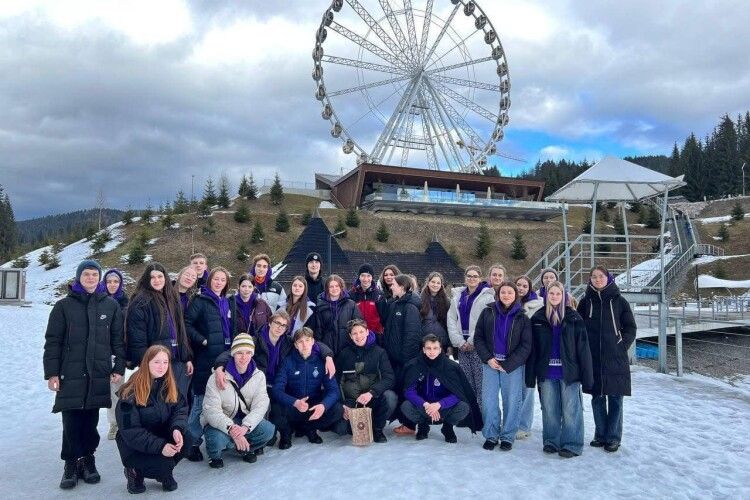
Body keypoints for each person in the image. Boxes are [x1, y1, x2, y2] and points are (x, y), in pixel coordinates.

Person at [43, 259, 125, 489]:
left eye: (94, 274)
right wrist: (52, 373)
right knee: (71, 420)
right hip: (70, 372)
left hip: (98, 372)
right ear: (79, 277)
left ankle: (88, 461)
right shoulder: (63, 306)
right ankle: (71, 464)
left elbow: (118, 341)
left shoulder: (110, 306)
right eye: (86, 274)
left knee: (90, 420)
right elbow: (53, 342)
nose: (90, 278)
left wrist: (118, 367)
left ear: (99, 278)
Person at [526, 282, 593, 458]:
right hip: (546, 373)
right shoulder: (538, 318)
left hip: (569, 373)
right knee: (549, 409)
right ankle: (551, 441)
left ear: (563, 296)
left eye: (558, 293)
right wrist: (530, 375)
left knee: (571, 410)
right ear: (546, 295)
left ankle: (572, 444)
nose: (554, 296)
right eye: (551, 293)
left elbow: (583, 348)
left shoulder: (573, 317)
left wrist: (587, 376)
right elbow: (533, 349)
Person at [115, 345, 191, 493]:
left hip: (157, 434)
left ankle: (163, 470)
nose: (161, 366)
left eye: (165, 362)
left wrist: (177, 428)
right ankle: (134, 472)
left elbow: (180, 408)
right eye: (156, 362)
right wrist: (161, 446)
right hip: (133, 445)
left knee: (187, 439)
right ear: (146, 363)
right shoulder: (130, 392)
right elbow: (132, 432)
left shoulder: (168, 383)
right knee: (164, 463)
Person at [577, 265, 637, 453]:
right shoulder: (586, 302)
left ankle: (613, 437)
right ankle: (600, 434)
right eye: (593, 277)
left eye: (600, 276)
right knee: (597, 397)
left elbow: (630, 327)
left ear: (608, 278)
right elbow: (578, 327)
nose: (597, 279)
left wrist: (621, 345)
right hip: (593, 358)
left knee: (615, 398)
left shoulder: (620, 301)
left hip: (615, 357)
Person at [473, 281, 532, 451]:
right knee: (489, 401)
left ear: (516, 296)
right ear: (498, 295)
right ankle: (491, 435)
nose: (506, 295)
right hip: (490, 363)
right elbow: (479, 338)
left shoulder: (523, 317)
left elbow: (526, 345)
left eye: (510, 293)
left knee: (512, 401)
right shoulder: (488, 312)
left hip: (511, 367)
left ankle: (507, 436)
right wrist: (488, 358)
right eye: (503, 292)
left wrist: (510, 364)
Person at [201, 334, 275, 468]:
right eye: (239, 353)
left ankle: (245, 448)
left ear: (252, 354)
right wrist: (231, 429)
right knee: (216, 440)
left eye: (248, 353)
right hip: (223, 422)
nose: (244, 357)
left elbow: (261, 405)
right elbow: (210, 410)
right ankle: (215, 456)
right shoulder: (216, 378)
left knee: (268, 430)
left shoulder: (259, 376)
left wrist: (246, 427)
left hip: (244, 422)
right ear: (233, 354)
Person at [185, 266, 235, 461]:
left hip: (225, 356)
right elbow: (186, 324)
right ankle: (192, 443)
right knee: (200, 401)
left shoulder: (228, 302)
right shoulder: (200, 300)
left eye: (223, 280)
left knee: (220, 400)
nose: (219, 282)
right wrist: (202, 340)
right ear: (209, 281)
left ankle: (217, 437)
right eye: (216, 279)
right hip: (205, 358)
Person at [126, 262, 193, 397]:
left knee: (179, 402)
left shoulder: (171, 297)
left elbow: (181, 331)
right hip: (157, 364)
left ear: (165, 278)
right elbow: (137, 339)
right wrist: (146, 364)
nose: (157, 280)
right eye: (153, 277)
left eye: (160, 276)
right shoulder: (141, 302)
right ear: (147, 280)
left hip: (177, 360)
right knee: (160, 403)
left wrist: (186, 357)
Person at [270, 327, 345, 449]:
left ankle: (310, 429)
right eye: (300, 341)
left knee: (337, 409)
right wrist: (295, 402)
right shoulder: (287, 362)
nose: (304, 345)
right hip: (294, 405)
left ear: (313, 341)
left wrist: (323, 405)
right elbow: (277, 389)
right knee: (276, 409)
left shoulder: (321, 362)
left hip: (312, 405)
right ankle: (286, 433)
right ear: (295, 345)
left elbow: (334, 390)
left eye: (307, 340)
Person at [400, 334, 483, 443]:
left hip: (444, 409)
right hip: (424, 408)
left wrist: (439, 404)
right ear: (424, 349)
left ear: (440, 350)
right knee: (406, 406)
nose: (432, 351)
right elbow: (409, 391)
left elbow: (458, 393)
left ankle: (447, 428)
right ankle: (423, 426)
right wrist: (426, 404)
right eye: (428, 348)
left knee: (464, 407)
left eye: (435, 348)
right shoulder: (415, 365)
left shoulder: (451, 366)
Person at [335, 319, 396, 443]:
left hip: (373, 397)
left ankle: (377, 429)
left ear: (367, 332)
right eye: (355, 333)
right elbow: (336, 382)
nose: (359, 336)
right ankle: (358, 427)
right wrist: (342, 405)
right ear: (350, 336)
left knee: (390, 397)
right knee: (341, 429)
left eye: (361, 332)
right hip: (352, 400)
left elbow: (389, 378)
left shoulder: (379, 352)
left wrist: (372, 393)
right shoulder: (344, 354)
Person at [447, 265, 495, 406]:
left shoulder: (487, 296)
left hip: (478, 344)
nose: (472, 279)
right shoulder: (458, 296)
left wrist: (472, 340)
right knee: (467, 381)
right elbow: (451, 319)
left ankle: (482, 414)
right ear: (465, 278)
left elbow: (486, 320)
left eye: (475, 276)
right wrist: (460, 342)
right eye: (469, 276)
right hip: (462, 345)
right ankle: (471, 414)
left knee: (481, 382)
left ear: (480, 279)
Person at [383, 274, 423, 435]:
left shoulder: (410, 307)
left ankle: (410, 425)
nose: (391, 287)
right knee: (397, 391)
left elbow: (412, 337)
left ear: (402, 286)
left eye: (393, 284)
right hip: (393, 360)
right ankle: (402, 421)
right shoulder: (395, 304)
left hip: (405, 362)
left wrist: (405, 360)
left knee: (407, 391)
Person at [515, 274, 545, 440]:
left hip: (530, 353)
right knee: (514, 390)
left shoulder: (537, 306)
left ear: (529, 288)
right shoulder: (509, 302)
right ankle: (513, 421)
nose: (521, 288)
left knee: (527, 390)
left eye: (524, 286)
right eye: (518, 284)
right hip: (512, 354)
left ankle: (524, 425)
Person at [104, 268, 129, 440]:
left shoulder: (125, 303)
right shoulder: (97, 301)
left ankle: (116, 423)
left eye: (116, 282)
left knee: (117, 391)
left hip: (117, 353)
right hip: (98, 352)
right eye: (109, 281)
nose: (112, 285)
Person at [310, 274, 362, 355]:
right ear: (327, 288)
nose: (334, 289)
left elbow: (358, 326)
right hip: (327, 349)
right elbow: (318, 331)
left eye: (337, 286)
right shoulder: (320, 306)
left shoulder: (351, 304)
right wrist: (321, 350)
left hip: (347, 348)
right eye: (331, 286)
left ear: (341, 287)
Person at [349, 263, 386, 340]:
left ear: (372, 277)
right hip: (358, 336)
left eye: (368, 276)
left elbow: (384, 317)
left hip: (376, 335)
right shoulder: (351, 294)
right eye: (363, 275)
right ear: (359, 277)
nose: (365, 279)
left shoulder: (379, 294)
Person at [420, 271, 451, 355]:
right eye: (433, 282)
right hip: (425, 341)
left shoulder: (446, 301)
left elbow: (449, 323)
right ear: (428, 282)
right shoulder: (420, 300)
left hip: (442, 341)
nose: (435, 285)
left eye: (438, 283)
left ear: (441, 285)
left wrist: (449, 344)